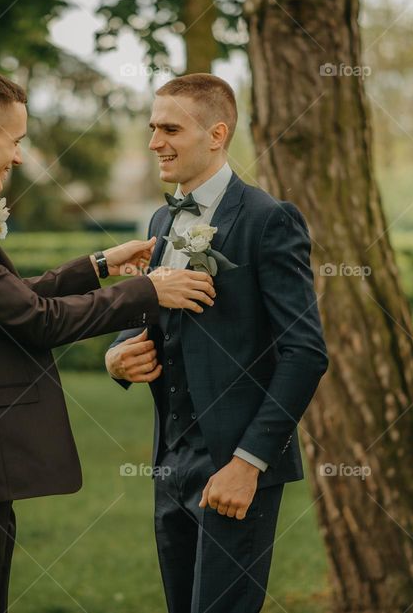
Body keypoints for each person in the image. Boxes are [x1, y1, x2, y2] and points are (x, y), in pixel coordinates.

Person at [0, 66, 216, 613]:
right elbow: (36, 320)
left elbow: (6, 300)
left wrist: (100, 264)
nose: (17, 157)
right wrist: (150, 290)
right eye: (16, 142)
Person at [105, 73, 329, 613]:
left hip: (234, 471)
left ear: (216, 134)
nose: (155, 141)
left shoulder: (268, 220)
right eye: (153, 127)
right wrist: (118, 355)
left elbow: (305, 352)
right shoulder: (162, 219)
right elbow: (152, 319)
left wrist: (248, 463)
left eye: (170, 128)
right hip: (170, 463)